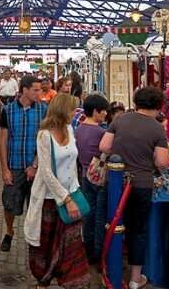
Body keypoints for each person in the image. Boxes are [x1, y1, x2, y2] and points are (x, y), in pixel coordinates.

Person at [99, 86, 169, 289]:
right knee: (138, 230)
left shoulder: (120, 120)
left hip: (116, 184)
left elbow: (104, 147)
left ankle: (112, 268)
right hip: (141, 184)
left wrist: (122, 152)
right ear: (158, 106)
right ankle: (135, 278)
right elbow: (162, 162)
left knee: (114, 225)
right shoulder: (157, 128)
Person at [24, 94, 90, 288]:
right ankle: (42, 282)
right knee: (45, 246)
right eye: (72, 109)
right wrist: (65, 199)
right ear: (62, 110)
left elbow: (72, 164)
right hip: (49, 199)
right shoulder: (45, 135)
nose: (75, 113)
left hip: (71, 192)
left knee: (72, 246)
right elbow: (45, 171)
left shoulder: (70, 129)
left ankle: (69, 281)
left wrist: (74, 192)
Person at [0, 75, 47, 252]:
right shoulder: (8, 110)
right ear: (24, 90)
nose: (39, 93)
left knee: (35, 205)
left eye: (40, 89)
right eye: (35, 90)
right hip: (15, 165)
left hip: (36, 166)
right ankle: (9, 231)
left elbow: (45, 140)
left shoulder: (43, 110)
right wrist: (5, 169)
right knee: (9, 203)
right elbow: (3, 141)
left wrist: (34, 165)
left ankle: (32, 237)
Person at [75, 93, 109, 266]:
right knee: (99, 216)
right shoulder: (101, 132)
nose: (105, 114)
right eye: (103, 111)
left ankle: (87, 249)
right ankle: (97, 253)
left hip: (84, 176)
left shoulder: (78, 129)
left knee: (88, 213)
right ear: (96, 112)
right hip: (100, 178)